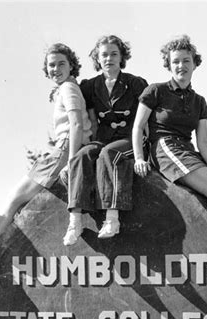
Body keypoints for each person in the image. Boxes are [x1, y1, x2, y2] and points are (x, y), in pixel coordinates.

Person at [132, 34, 207, 237]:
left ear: (195, 64)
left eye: (186, 60)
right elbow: (138, 127)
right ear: (169, 65)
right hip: (165, 148)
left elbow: (203, 141)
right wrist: (139, 158)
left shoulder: (199, 101)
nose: (181, 65)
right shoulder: (156, 91)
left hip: (188, 151)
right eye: (176, 61)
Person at [0, 43, 92, 244]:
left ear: (72, 66)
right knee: (16, 201)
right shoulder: (67, 87)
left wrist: (71, 163)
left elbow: (77, 124)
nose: (56, 69)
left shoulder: (68, 88)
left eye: (61, 64)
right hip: (63, 148)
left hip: (64, 149)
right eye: (51, 65)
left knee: (13, 199)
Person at [63, 35, 148, 246]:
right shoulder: (90, 85)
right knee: (82, 155)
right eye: (104, 55)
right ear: (97, 59)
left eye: (114, 54)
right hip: (103, 139)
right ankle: (75, 220)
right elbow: (90, 118)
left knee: (110, 154)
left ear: (122, 57)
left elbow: (144, 120)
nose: (109, 58)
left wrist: (144, 152)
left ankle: (112, 218)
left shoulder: (136, 83)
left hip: (129, 139)